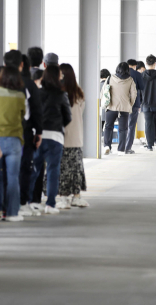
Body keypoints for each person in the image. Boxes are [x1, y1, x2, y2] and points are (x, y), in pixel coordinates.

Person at [29, 64, 72, 214]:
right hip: (55, 137)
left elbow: (32, 113)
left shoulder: (37, 93)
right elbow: (68, 117)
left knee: (34, 169)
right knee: (53, 171)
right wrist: (59, 126)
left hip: (38, 136)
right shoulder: (61, 94)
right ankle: (50, 204)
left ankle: (29, 202)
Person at [0, 65, 26, 221]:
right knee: (12, 177)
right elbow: (24, 115)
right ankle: (12, 213)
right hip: (14, 140)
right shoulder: (20, 96)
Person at [11, 53, 43, 218]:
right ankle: (22, 203)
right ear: (24, 65)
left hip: (2, 133)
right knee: (24, 168)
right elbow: (36, 109)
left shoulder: (2, 83)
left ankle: (6, 206)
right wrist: (38, 132)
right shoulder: (29, 84)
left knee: (7, 171)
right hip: (25, 132)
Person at [57, 63, 88, 208]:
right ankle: (76, 196)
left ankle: (62, 197)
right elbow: (80, 112)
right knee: (76, 167)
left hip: (60, 136)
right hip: (76, 136)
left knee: (62, 167)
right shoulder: (79, 93)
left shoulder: (58, 93)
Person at [102, 62, 137, 155]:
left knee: (108, 127)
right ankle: (121, 150)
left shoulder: (110, 78)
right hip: (124, 108)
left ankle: (106, 146)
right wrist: (130, 104)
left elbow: (103, 91)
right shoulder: (130, 80)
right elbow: (134, 94)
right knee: (123, 129)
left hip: (111, 107)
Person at [126, 60, 144, 153]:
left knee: (123, 125)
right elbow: (142, 87)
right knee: (131, 125)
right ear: (135, 66)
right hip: (134, 103)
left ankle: (121, 147)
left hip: (122, 103)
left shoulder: (120, 73)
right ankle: (128, 147)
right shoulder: (137, 74)